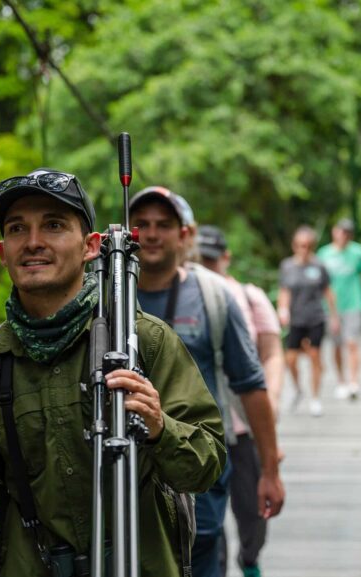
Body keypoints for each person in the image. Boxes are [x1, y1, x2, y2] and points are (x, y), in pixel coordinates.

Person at [0, 169, 226, 577]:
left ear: (90, 246)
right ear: (3, 252)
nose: (33, 243)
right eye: (18, 229)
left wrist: (160, 428)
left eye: (53, 225)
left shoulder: (141, 343)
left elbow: (207, 465)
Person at [129, 187, 285, 577]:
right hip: (124, 468)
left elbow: (250, 384)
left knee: (199, 558)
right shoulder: (106, 297)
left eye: (163, 225)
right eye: (141, 224)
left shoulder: (213, 297)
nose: (150, 234)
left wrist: (269, 470)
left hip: (197, 465)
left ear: (184, 236)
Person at [197, 225, 284, 577]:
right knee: (207, 522)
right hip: (204, 428)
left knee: (252, 512)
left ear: (226, 258)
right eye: (200, 258)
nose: (206, 264)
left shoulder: (247, 296)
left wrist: (271, 405)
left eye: (211, 259)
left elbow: (272, 352)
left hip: (245, 424)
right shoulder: (184, 294)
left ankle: (250, 560)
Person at [316, 218, 361, 400]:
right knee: (336, 345)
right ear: (334, 231)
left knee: (352, 343)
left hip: (354, 304)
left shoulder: (359, 252)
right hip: (330, 308)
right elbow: (319, 283)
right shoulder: (323, 254)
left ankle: (354, 382)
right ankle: (341, 381)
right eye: (341, 231)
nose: (343, 235)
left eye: (347, 232)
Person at [277, 225, 338, 416]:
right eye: (300, 245)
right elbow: (284, 290)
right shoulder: (287, 266)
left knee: (314, 356)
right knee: (291, 359)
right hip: (296, 318)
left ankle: (315, 398)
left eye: (307, 246)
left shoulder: (318, 266)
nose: (303, 249)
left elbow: (328, 292)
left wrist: (334, 316)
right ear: (294, 245)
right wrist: (283, 310)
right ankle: (297, 388)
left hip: (315, 317)